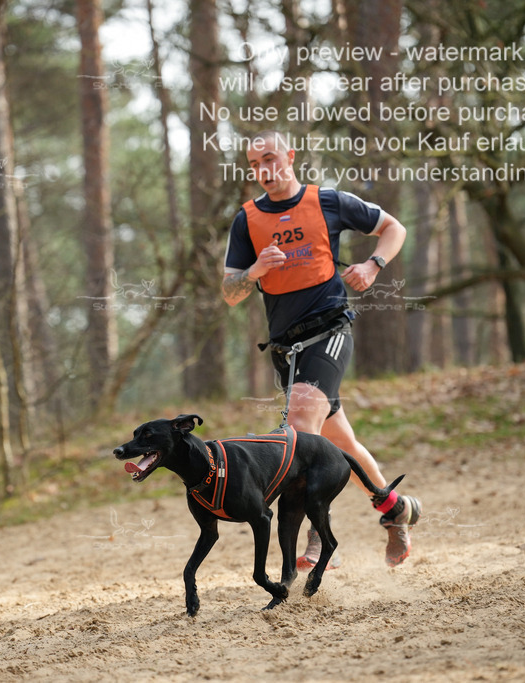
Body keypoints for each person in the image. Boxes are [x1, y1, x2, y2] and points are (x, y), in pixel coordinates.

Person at [221, 129, 421, 568]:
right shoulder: (246, 221)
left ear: (290, 156)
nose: (263, 170)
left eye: (269, 158)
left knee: (299, 425)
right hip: (285, 349)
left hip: (329, 329)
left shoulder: (327, 201)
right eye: (254, 165)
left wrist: (373, 264)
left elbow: (393, 228)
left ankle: (316, 530)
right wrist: (254, 271)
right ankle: (395, 510)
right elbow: (230, 292)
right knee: (339, 440)